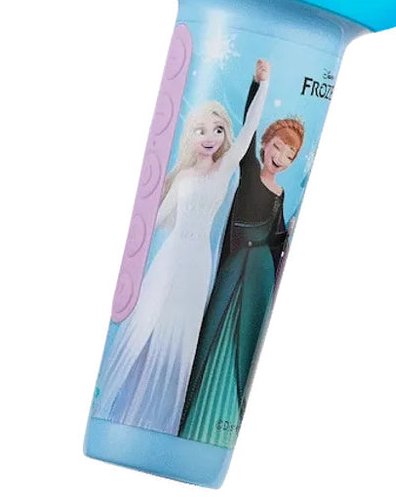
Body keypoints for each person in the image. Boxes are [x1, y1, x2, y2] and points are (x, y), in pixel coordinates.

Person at [91, 60, 271, 435]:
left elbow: (250, 130)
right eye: (201, 130)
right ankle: (119, 412)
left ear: (224, 134)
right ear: (191, 136)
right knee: (149, 319)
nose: (210, 137)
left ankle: (160, 421)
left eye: (217, 130)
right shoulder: (184, 176)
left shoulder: (225, 169)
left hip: (197, 262)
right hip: (170, 258)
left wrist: (262, 84)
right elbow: (157, 220)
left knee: (180, 331)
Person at [179, 80, 304, 447]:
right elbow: (249, 127)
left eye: (288, 155)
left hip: (259, 279)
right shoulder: (249, 171)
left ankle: (222, 422)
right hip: (234, 272)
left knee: (243, 341)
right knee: (215, 330)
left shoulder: (281, 193)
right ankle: (194, 415)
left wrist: (289, 233)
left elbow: (276, 237)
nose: (279, 156)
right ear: (265, 143)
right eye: (277, 146)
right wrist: (258, 84)